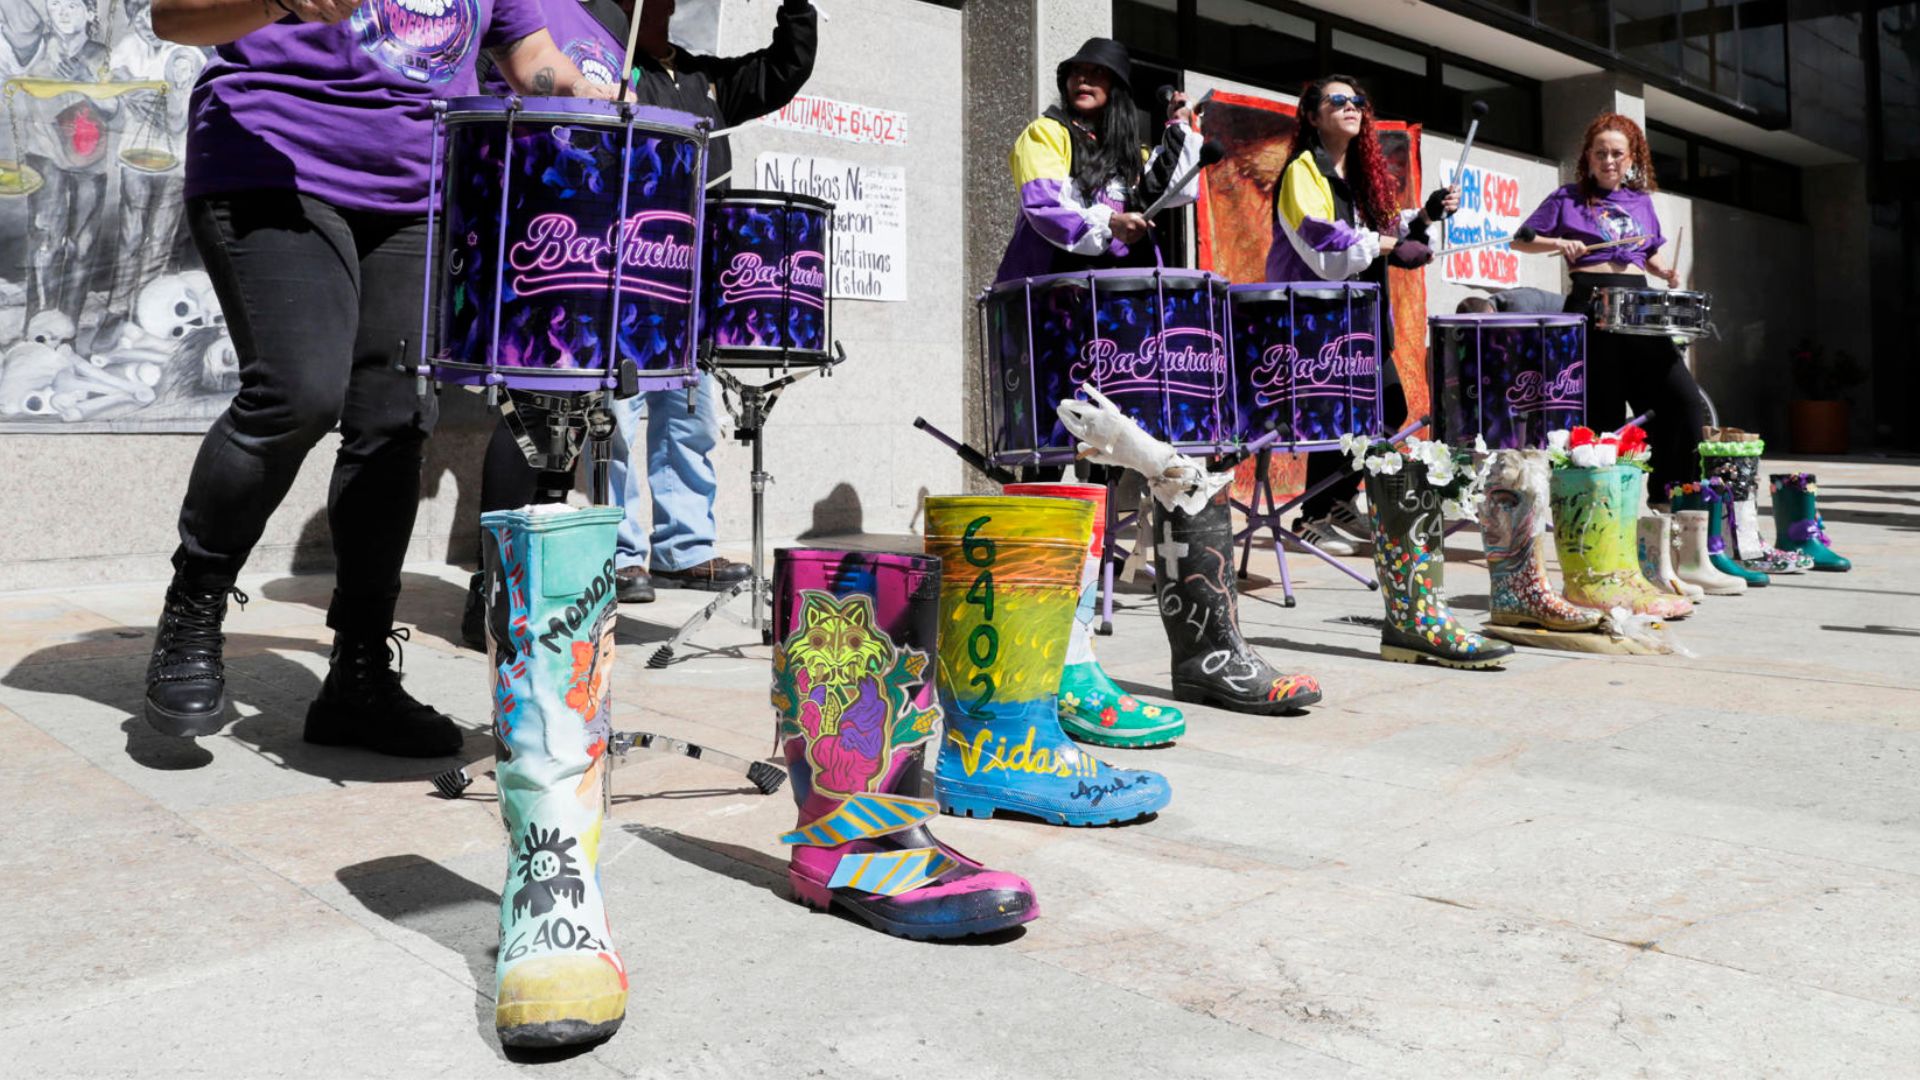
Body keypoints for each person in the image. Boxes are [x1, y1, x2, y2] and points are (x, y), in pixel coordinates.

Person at [143, 0, 609, 753]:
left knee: (396, 419)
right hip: (271, 163)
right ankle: (194, 606)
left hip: (418, 196)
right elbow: (174, 16)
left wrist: (579, 93)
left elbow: (532, 57)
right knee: (298, 393)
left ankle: (358, 673)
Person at [469, 0, 817, 631]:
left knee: (690, 414)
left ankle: (684, 548)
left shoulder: (702, 77)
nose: (659, 8)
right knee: (620, 416)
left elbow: (784, 70)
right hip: (623, 266)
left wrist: (798, 8)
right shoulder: (612, 57)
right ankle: (623, 553)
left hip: (689, 276)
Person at [1272, 74, 1454, 557]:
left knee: (1383, 411)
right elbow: (1322, 238)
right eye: (1337, 101)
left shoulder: (1361, 179)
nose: (1351, 106)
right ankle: (1313, 514)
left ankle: (1331, 503)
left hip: (1363, 317)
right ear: (1312, 116)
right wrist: (1395, 244)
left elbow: (1387, 232)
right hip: (1318, 320)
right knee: (1337, 416)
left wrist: (1427, 218)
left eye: (1357, 100)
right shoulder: (1302, 171)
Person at [1511, 111, 1702, 501]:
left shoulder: (1641, 202)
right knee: (1601, 411)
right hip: (1588, 303)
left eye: (1617, 153)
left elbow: (1644, 254)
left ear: (1632, 158)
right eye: (1601, 153)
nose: (1609, 160)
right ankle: (1599, 502)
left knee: (1680, 400)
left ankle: (1671, 492)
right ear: (1588, 156)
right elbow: (1520, 240)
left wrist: (1666, 272)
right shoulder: (1567, 197)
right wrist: (1557, 243)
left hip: (1638, 304)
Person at [994, 36, 1199, 283]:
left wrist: (1179, 121)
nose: (1083, 78)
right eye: (1077, 71)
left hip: (1118, 298)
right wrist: (1110, 223)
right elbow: (1044, 206)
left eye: (1097, 72)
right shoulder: (1046, 133)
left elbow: (1176, 189)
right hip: (1054, 296)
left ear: (1116, 87)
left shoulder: (1131, 152)